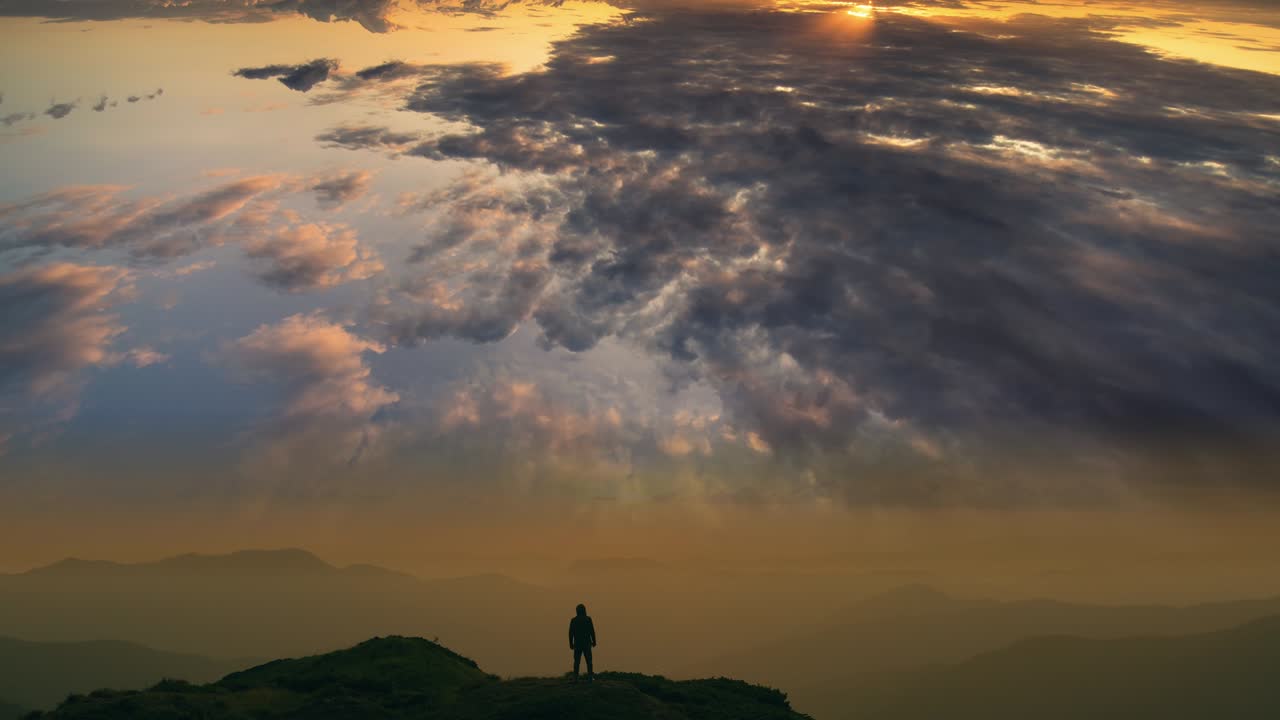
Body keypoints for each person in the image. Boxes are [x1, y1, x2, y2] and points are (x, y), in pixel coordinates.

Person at [569, 603, 597, 681]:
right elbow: (592, 631)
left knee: (577, 662)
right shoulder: (588, 619)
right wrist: (594, 641)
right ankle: (590, 676)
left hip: (577, 644)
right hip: (587, 643)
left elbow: (571, 633)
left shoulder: (574, 620)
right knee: (589, 661)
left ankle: (575, 677)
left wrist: (571, 643)